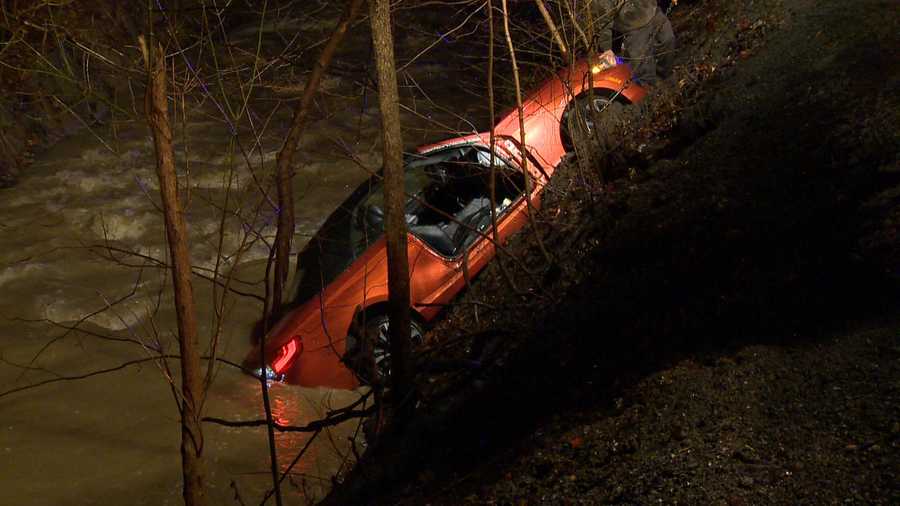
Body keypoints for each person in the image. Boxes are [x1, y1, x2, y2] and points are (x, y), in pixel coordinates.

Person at [588, 0, 676, 86]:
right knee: (642, 67)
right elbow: (604, 23)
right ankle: (650, 92)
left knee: (668, 40)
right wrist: (607, 48)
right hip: (632, 28)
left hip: (653, 12)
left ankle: (665, 76)